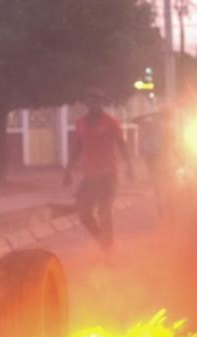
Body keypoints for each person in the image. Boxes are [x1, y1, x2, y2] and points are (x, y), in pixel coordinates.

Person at [60, 88, 134, 251]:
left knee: (104, 212)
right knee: (84, 213)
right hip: (90, 176)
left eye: (97, 101)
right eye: (91, 100)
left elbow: (121, 145)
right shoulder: (80, 123)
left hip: (108, 175)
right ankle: (102, 240)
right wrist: (68, 171)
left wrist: (130, 167)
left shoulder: (111, 122)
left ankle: (108, 250)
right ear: (86, 103)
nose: (94, 104)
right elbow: (77, 147)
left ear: (102, 103)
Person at [134, 107, 178, 220]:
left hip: (154, 161)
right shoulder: (167, 128)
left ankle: (163, 213)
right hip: (163, 161)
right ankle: (169, 213)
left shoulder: (152, 126)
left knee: (158, 189)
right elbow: (174, 147)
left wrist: (151, 113)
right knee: (168, 189)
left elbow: (135, 120)